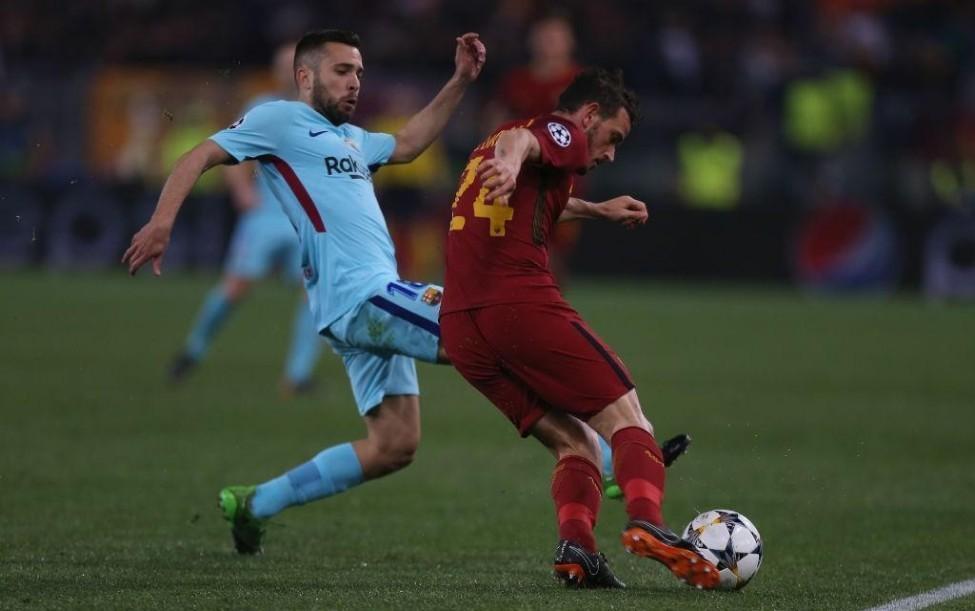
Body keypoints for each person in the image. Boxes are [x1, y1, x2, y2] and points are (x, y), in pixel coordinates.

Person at [123, 29, 486, 554]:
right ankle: (601, 452)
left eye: (360, 72)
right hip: (360, 294)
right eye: (343, 71)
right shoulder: (278, 119)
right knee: (479, 331)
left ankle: (255, 504)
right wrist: (162, 221)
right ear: (305, 76)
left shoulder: (354, 140)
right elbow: (199, 155)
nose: (355, 82)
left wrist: (459, 81)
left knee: (395, 445)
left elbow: (407, 143)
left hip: (361, 302)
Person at [440, 67, 720, 589]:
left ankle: (577, 550)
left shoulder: (500, 147)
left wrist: (596, 210)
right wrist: (509, 156)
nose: (611, 153)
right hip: (516, 305)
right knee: (626, 414)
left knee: (576, 444)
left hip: (462, 329)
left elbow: (535, 188)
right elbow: (527, 141)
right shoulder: (556, 131)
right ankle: (649, 522)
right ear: (589, 115)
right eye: (613, 137)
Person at [167, 42, 325, 395]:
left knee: (313, 294)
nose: (291, 71)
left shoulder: (322, 113)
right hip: (266, 216)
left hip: (304, 221)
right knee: (236, 287)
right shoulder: (261, 107)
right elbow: (231, 152)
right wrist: (241, 189)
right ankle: (192, 350)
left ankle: (297, 376)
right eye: (284, 64)